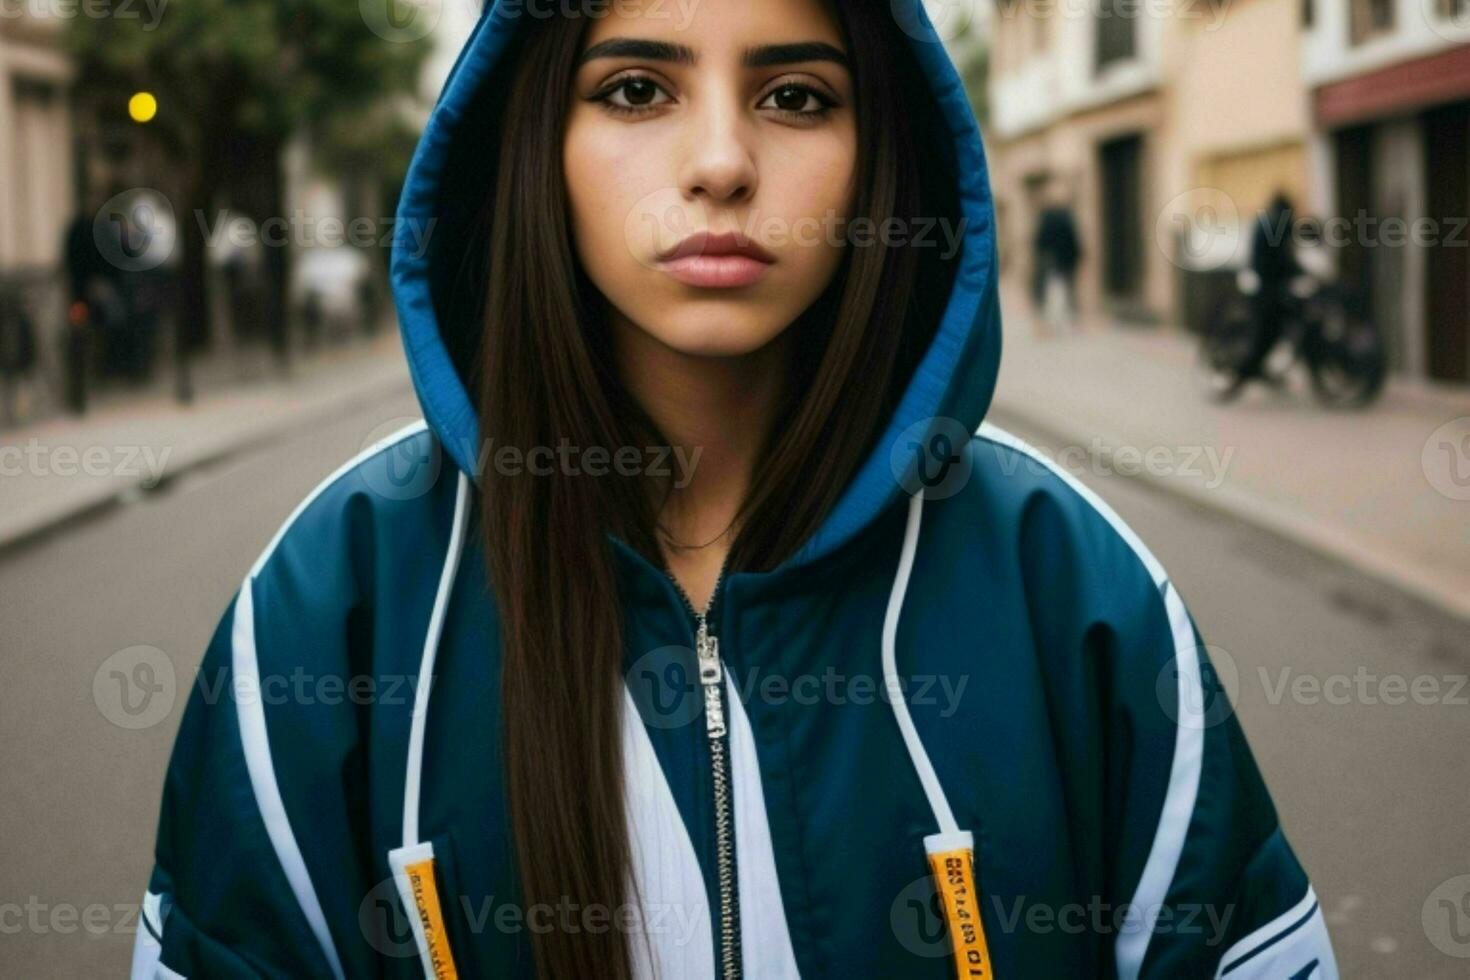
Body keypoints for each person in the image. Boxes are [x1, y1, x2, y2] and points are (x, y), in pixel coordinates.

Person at [132, 3, 1338, 979]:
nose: (720, 163)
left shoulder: (1069, 583)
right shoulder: (331, 602)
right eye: (636, 89)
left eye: (797, 95)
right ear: (532, 135)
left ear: (883, 152)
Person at [1232, 191, 1302, 394]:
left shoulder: (1276, 222)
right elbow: (1278, 259)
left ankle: (1262, 367)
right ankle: (1246, 369)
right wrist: (1295, 271)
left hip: (1273, 283)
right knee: (1266, 330)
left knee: (1281, 323)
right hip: (1266, 286)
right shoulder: (1271, 224)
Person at [1032, 190, 1082, 334]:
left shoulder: (1046, 217)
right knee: (1069, 289)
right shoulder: (1067, 216)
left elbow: (1039, 239)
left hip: (1049, 257)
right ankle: (1072, 321)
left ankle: (1044, 324)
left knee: (1045, 289)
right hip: (1066, 258)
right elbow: (1073, 238)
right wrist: (1077, 255)